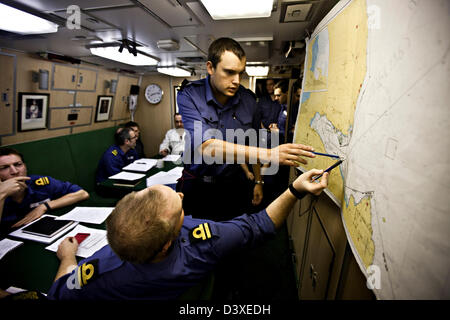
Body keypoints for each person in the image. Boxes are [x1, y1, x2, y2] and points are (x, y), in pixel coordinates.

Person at [47, 168, 328, 300]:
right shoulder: (205, 243)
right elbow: (261, 224)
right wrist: (295, 190)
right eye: (179, 204)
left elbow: (59, 293)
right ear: (168, 242)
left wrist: (67, 257)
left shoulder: (102, 273)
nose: (181, 194)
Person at [176, 37, 317, 221]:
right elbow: (205, 147)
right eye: (229, 72)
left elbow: (253, 145)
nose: (236, 81)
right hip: (198, 187)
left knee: (232, 241)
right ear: (210, 68)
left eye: (240, 73)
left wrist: (258, 181)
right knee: (195, 242)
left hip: (233, 187)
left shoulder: (249, 101)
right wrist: (270, 155)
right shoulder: (190, 94)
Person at [0, 148, 89, 233]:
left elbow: (82, 193)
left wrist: (44, 206)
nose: (14, 171)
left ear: (25, 166)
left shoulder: (39, 182)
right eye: (4, 167)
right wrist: (2, 193)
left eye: (18, 164)